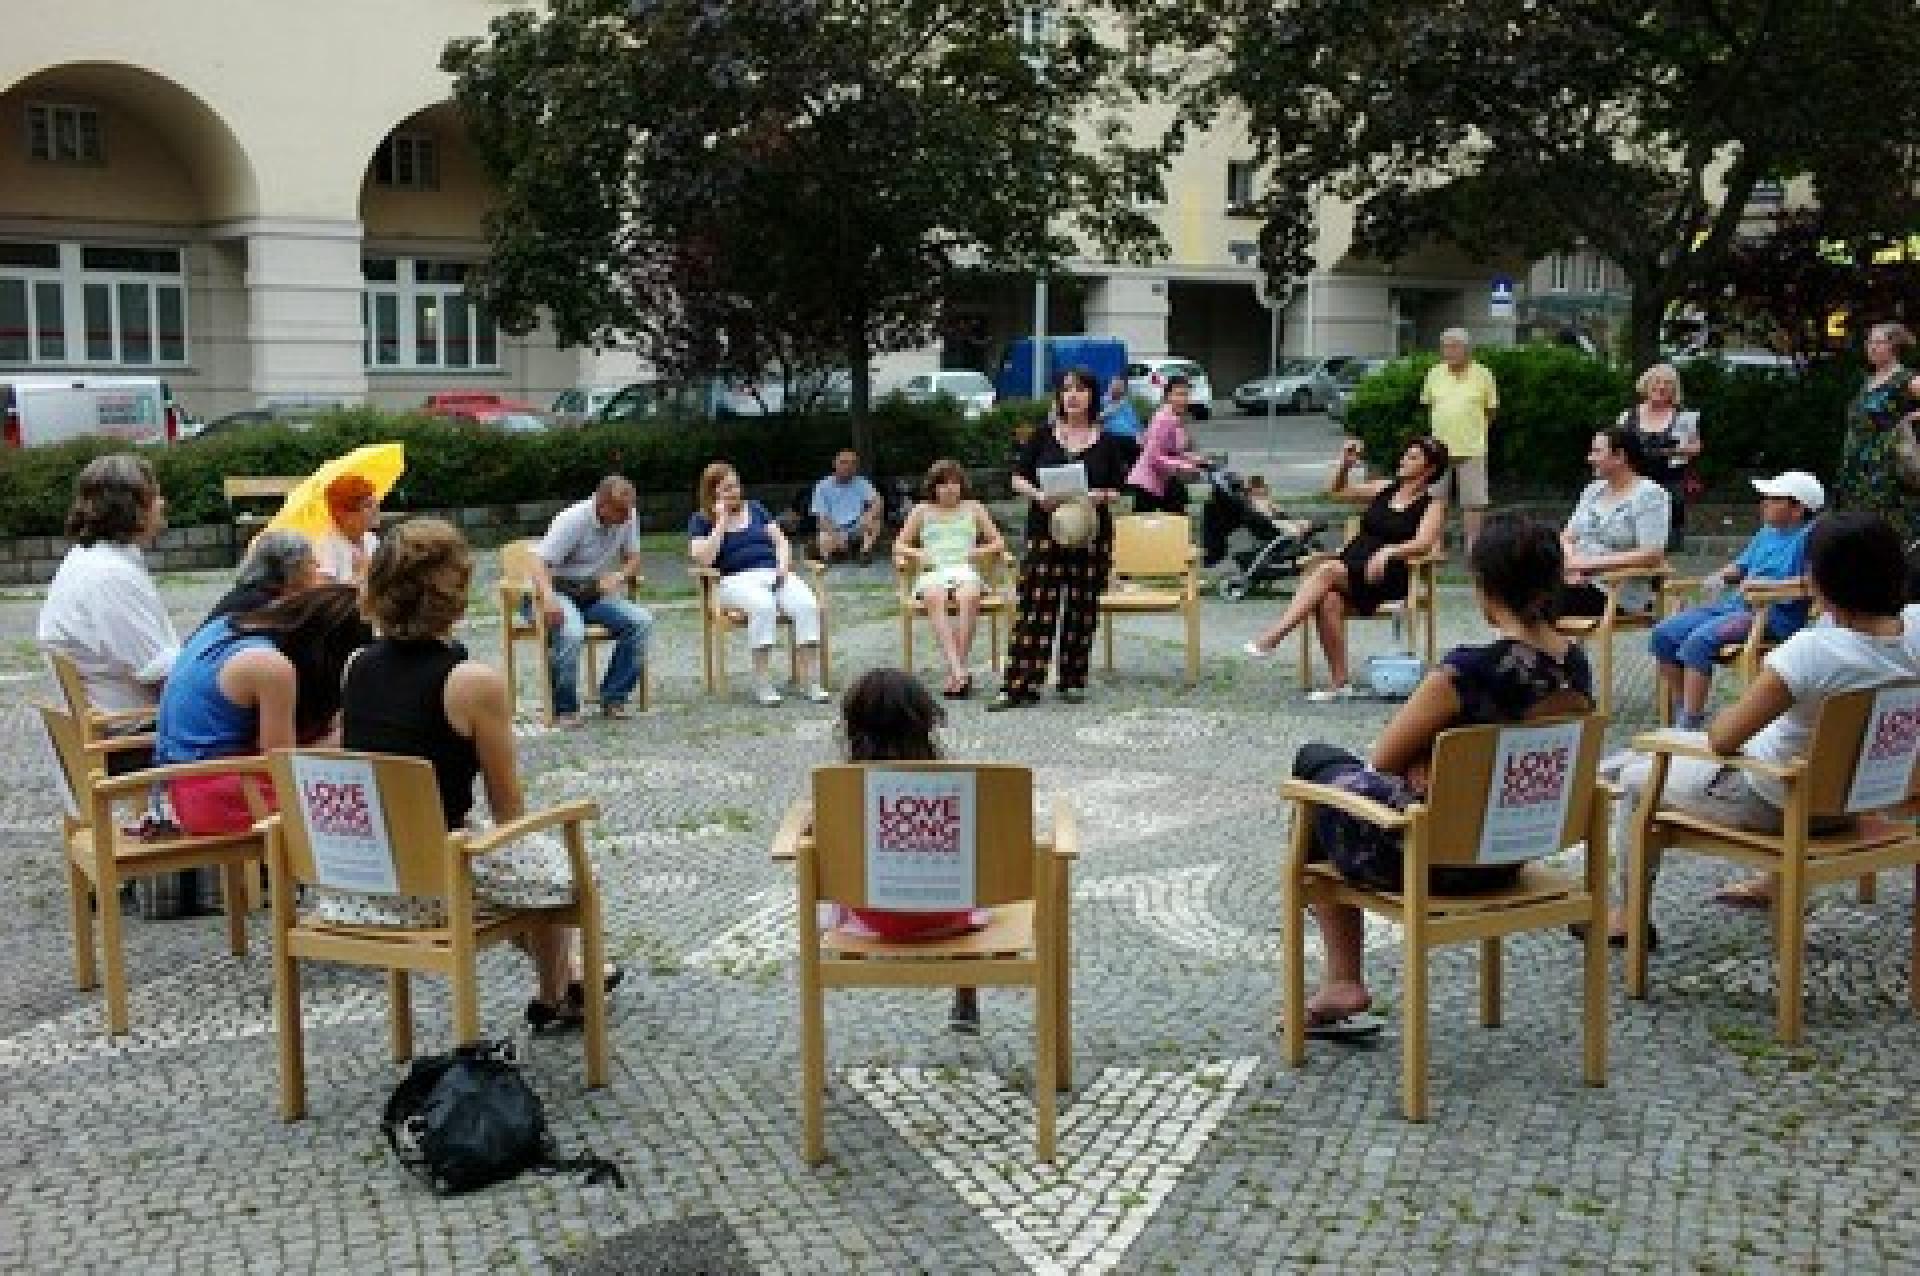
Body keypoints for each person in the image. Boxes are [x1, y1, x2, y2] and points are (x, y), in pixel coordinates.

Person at [1290, 513, 1593, 1034]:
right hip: (1513, 848)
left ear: (1484, 587)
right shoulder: (1576, 666)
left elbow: (1381, 759)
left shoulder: (1466, 671)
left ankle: (1342, 978)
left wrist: (1421, 759)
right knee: (1338, 770)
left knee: (1317, 766)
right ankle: (1340, 980)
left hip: (1437, 858)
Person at [322, 518, 615, 1032]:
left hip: (361, 878)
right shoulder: (472, 683)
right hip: (437, 884)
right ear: (454, 592)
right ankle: (552, 995)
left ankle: (569, 975)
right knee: (561, 869)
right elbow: (508, 811)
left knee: (515, 870)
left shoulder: (355, 666)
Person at [1597, 513, 1920, 938]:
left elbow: (1723, 738)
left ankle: (1627, 918)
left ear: (1821, 578)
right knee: (1649, 750)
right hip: (1868, 794)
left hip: (1779, 800)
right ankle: (1774, 883)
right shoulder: (1915, 628)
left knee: (1640, 778)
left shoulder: (1809, 652)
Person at [833, 667, 983, 1032]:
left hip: (873, 913)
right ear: (925, 724)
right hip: (950, 914)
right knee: (963, 871)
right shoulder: (955, 788)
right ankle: (966, 985)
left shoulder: (841, 789)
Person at [153, 584, 371, 836]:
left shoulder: (228, 627)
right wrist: (344, 738)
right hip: (221, 796)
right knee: (361, 807)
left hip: (184, 788)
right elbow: (283, 767)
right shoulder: (272, 668)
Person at [1244, 436, 1450, 701]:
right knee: (1328, 599)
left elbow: (1423, 543)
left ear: (1429, 469)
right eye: (1405, 455)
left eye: (1412, 457)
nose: (1403, 460)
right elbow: (1338, 492)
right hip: (1351, 569)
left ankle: (1273, 637)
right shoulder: (1384, 488)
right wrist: (1345, 465)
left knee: (1327, 571)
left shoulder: (1432, 505)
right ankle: (1340, 683)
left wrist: (1389, 551)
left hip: (1388, 576)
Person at [989, 367, 1132, 711]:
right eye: (1067, 390)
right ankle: (1020, 684)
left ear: (1092, 396)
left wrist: (1099, 496)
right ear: (1059, 396)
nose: (1073, 396)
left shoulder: (1108, 441)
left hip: (1089, 533)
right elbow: (1017, 479)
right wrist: (1039, 495)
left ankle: (1072, 679)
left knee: (1082, 608)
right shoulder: (1043, 436)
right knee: (1035, 608)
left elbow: (1121, 487)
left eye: (1081, 389)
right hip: (1045, 530)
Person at [1650, 470, 1820, 730]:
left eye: (1773, 499)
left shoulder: (1811, 537)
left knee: (1699, 641)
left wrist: (1767, 586)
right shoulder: (1767, 532)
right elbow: (1741, 567)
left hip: (1772, 618)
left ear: (1797, 509)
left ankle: (1689, 724)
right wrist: (1717, 577)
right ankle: (1683, 705)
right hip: (1736, 606)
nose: (1763, 503)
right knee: (1663, 634)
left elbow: (1813, 585)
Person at [37, 454, 179, 715]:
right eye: (155, 495)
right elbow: (157, 672)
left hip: (133, 723)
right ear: (131, 507)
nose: (162, 502)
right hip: (138, 732)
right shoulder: (109, 575)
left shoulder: (91, 559)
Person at [690, 462, 831, 706]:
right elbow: (704, 558)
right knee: (763, 606)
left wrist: (783, 566)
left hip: (773, 572)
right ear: (713, 492)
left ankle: (811, 680)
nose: (735, 492)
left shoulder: (756, 509)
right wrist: (721, 522)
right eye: (727, 488)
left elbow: (781, 542)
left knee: (807, 605)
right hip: (733, 580)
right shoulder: (702, 519)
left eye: (736, 486)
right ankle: (762, 681)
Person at [525, 476, 654, 723]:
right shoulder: (572, 520)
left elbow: (634, 557)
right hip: (555, 589)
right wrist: (549, 598)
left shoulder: (628, 515)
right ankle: (565, 707)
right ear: (602, 505)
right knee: (571, 632)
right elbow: (537, 562)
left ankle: (614, 697)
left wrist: (620, 575)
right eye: (621, 511)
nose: (628, 516)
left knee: (641, 621)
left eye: (630, 509)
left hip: (591, 592)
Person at [896, 459, 1007, 699]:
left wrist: (978, 552)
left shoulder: (974, 508)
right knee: (934, 595)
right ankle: (959, 671)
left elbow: (998, 542)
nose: (950, 488)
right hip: (934, 569)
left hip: (963, 568)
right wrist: (918, 554)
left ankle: (956, 672)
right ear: (934, 487)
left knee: (970, 595)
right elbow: (899, 545)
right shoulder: (921, 511)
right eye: (943, 484)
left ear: (961, 485)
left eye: (954, 483)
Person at [1560, 427, 1672, 617]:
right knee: (1516, 590)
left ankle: (1552, 647)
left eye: (1596, 451)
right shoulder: (1593, 490)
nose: (1590, 458)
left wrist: (1585, 565)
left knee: (1532, 600)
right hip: (1576, 579)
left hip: (1614, 589)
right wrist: (1573, 564)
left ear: (1620, 456)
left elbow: (1652, 554)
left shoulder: (1649, 495)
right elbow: (1567, 537)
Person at [1833, 321, 1920, 544]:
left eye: (1878, 342)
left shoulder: (1906, 379)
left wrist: (1912, 418)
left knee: (1884, 528)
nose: (1871, 347)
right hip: (1856, 468)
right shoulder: (1869, 381)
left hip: (1885, 470)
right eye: (1869, 341)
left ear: (1893, 346)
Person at [1419, 328, 1498, 551]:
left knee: (1473, 502)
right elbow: (1430, 405)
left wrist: (1477, 431)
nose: (1449, 351)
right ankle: (1435, 545)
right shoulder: (1434, 372)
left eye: (1455, 346)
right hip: (1438, 450)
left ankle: (1472, 547)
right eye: (1445, 346)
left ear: (1467, 349)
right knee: (1436, 498)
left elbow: (1491, 410)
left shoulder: (1483, 374)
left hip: (1471, 448)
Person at [1618, 363, 1701, 551]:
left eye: (1668, 384)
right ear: (1646, 385)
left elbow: (1696, 447)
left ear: (1674, 390)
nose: (1661, 387)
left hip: (1670, 481)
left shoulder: (1685, 417)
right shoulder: (1627, 416)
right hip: (1634, 481)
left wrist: (1671, 451)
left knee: (1666, 539)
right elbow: (1617, 445)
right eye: (1657, 382)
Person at [1125, 375, 1211, 514]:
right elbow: (1154, 456)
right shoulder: (1163, 419)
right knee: (1148, 527)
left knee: (1178, 514)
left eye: (1186, 395)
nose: (1183, 400)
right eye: (1179, 394)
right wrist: (1183, 466)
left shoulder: (1174, 417)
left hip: (1164, 479)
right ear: (1167, 396)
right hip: (1148, 482)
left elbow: (1171, 451)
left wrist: (1194, 459)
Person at [203, 530, 321, 626]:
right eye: (310, 561)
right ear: (293, 568)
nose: (317, 565)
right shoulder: (265, 607)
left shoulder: (249, 594)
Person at [811, 450, 882, 565]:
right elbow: (821, 518)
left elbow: (878, 501)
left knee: (875, 522)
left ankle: (865, 553)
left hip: (857, 525)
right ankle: (839, 552)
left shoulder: (862, 482)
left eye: (853, 463)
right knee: (823, 541)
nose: (848, 466)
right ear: (835, 464)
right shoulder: (822, 486)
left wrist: (869, 515)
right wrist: (836, 536)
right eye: (844, 462)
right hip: (834, 526)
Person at [313, 474, 380, 584]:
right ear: (343, 514)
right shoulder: (325, 547)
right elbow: (326, 594)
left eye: (375, 503)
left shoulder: (372, 540)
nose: (376, 509)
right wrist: (359, 575)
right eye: (368, 505)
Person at [1099, 376, 1142, 442]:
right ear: (1109, 387)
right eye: (1114, 386)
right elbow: (1097, 419)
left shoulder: (1127, 405)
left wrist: (1139, 435)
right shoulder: (1102, 402)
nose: (1116, 389)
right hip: (1111, 437)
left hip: (1130, 438)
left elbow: (1136, 424)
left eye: (1119, 387)